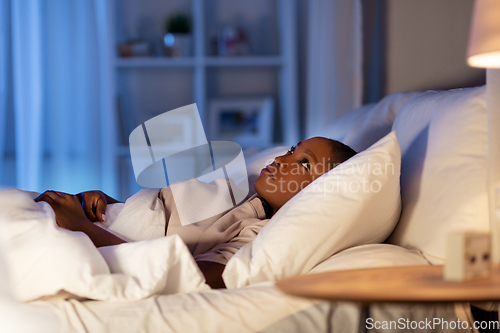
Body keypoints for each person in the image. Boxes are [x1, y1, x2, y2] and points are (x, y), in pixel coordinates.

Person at [35, 137, 356, 288]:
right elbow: (170, 216)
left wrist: (83, 227)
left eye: (303, 163)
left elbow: (187, 275)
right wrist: (110, 203)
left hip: (98, 241)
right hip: (99, 219)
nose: (283, 159)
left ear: (318, 192)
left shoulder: (258, 233)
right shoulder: (243, 188)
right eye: (291, 149)